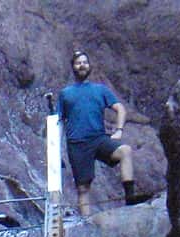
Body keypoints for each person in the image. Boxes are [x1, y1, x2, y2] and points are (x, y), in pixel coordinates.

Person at [55, 50, 149, 216]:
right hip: (77, 144)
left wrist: (119, 130)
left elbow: (120, 108)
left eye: (85, 62)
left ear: (89, 66)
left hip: (98, 139)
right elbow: (59, 122)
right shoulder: (65, 94)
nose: (82, 65)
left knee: (125, 151)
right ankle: (87, 222)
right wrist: (56, 152)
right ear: (73, 67)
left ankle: (130, 198)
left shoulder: (100, 89)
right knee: (83, 188)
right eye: (78, 62)